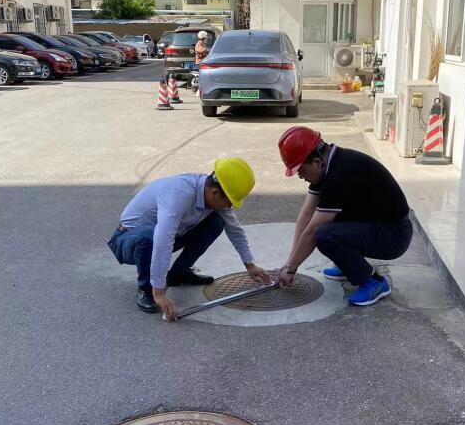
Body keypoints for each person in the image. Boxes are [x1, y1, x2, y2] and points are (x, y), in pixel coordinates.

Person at [108, 158, 271, 321]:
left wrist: (249, 264)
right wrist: (159, 291)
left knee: (216, 222)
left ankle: (179, 273)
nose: (229, 207)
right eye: (228, 202)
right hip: (127, 240)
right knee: (149, 236)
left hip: (166, 235)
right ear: (214, 192)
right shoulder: (179, 194)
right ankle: (146, 288)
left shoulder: (213, 190)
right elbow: (163, 241)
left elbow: (234, 228)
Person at [276, 126, 412, 306]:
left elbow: (312, 231)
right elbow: (306, 215)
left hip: (394, 235)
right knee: (325, 224)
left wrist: (291, 269)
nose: (300, 177)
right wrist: (289, 263)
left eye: (301, 171)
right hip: (377, 223)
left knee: (324, 235)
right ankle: (349, 266)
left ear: (316, 161)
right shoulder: (328, 164)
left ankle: (374, 282)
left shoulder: (339, 173)